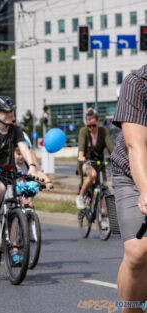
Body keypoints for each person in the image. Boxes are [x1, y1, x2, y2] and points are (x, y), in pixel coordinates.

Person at [0, 96, 40, 264]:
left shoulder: (15, 130)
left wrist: (32, 165)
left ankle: (13, 247)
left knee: (16, 206)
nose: (10, 115)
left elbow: (24, 148)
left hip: (8, 174)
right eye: (6, 112)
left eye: (12, 111)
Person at [111, 64, 147, 313]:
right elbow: (136, 147)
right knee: (137, 251)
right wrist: (146, 189)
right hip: (134, 174)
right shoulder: (137, 83)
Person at [76, 108, 113, 221]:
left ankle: (104, 218)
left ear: (97, 122)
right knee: (92, 175)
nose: (91, 128)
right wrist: (81, 156)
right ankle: (81, 197)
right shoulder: (84, 131)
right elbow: (81, 146)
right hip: (86, 162)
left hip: (99, 163)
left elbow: (110, 145)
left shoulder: (103, 131)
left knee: (103, 189)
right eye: (89, 126)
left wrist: (115, 156)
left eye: (93, 125)